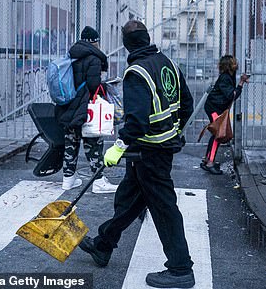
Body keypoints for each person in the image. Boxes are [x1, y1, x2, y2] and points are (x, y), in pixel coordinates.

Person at [78, 20, 196, 289]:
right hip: (157, 149)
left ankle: (180, 269)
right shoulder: (168, 64)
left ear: (128, 44)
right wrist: (173, 129)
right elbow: (186, 104)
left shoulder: (136, 73)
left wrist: (119, 146)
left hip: (149, 151)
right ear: (147, 38)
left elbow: (137, 121)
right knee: (129, 199)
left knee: (164, 208)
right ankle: (103, 245)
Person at [54, 26, 118, 194]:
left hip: (68, 106)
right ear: (95, 41)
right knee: (93, 145)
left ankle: (68, 179)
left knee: (71, 142)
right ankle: (98, 182)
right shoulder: (94, 59)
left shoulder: (71, 55)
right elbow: (93, 85)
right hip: (85, 107)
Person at [201, 55, 249, 174]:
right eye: (234, 62)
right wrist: (241, 83)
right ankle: (210, 163)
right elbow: (232, 95)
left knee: (217, 134)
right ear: (230, 65)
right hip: (214, 108)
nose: (236, 64)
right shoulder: (225, 78)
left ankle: (208, 159)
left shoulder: (228, 77)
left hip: (216, 108)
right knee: (219, 135)